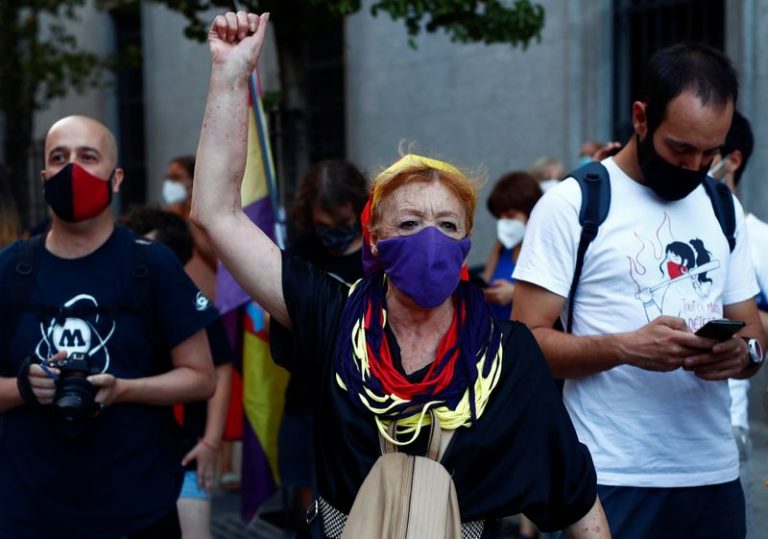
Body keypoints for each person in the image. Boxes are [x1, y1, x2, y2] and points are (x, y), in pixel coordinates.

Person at [191, 11, 609, 538]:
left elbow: (575, 497)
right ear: (375, 238)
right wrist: (230, 76)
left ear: (464, 245)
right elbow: (217, 215)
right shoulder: (332, 314)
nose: (428, 238)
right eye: (409, 222)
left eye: (446, 224)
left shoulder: (508, 352)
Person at [512, 43, 765, 538]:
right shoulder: (573, 204)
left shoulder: (721, 207)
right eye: (680, 148)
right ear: (641, 118)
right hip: (607, 479)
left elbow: (753, 331)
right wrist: (625, 347)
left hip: (713, 475)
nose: (695, 166)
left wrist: (743, 353)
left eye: (709, 153)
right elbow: (524, 344)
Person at [0, 115, 217, 539]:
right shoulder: (11, 268)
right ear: (44, 176)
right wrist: (24, 388)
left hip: (135, 511)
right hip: (29, 513)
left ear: (115, 178)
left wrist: (123, 389)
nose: (72, 170)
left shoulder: (151, 265)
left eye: (88, 157)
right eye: (59, 158)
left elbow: (201, 378)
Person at [121, 206, 234, 539]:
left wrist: (211, 443)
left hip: (185, 454)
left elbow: (222, 370)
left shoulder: (194, 303)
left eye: (149, 253)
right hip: (127, 455)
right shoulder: (113, 304)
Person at [271, 159, 368, 530]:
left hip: (365, 406)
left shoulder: (379, 254)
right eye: (324, 226)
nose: (334, 235)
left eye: (344, 226)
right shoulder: (301, 254)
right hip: (309, 401)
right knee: (313, 515)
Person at [708, 110, 762, 539]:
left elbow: (758, 338)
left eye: (707, 151)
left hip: (726, 424)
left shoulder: (758, 238)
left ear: (733, 158)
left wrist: (745, 340)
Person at [482, 171, 542, 320]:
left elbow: (561, 297)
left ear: (531, 211)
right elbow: (485, 282)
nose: (504, 223)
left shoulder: (544, 248)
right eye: (499, 217)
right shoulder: (502, 245)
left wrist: (515, 293)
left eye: (510, 215)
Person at [163, 154, 218, 300]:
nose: (170, 184)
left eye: (176, 178)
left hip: (210, 298)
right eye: (168, 178)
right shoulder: (167, 215)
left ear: (194, 182)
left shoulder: (210, 215)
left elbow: (216, 258)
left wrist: (189, 218)